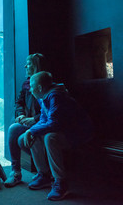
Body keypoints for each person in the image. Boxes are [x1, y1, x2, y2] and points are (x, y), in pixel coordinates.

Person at [22, 71, 93, 201]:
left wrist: (31, 131)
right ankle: (43, 174)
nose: (30, 89)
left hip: (79, 134)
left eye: (32, 86)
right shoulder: (45, 97)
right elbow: (44, 120)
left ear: (39, 88)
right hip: (65, 132)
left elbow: (54, 123)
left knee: (50, 137)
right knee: (36, 135)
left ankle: (61, 182)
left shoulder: (56, 96)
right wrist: (31, 131)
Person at [4, 53, 45, 188]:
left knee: (22, 139)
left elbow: (49, 111)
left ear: (36, 66)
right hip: (29, 121)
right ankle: (16, 172)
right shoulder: (27, 83)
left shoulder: (45, 84)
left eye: (28, 63)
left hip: (42, 123)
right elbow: (19, 102)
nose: (25, 66)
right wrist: (21, 115)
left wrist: (34, 119)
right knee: (13, 128)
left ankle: (44, 171)